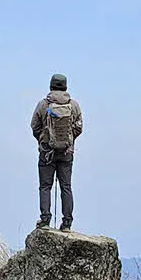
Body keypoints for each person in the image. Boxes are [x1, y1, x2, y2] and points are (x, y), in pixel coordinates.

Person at [30, 73, 83, 231]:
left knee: (45, 186)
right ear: (65, 87)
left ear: (51, 86)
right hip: (67, 152)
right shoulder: (74, 105)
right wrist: (68, 140)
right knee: (66, 186)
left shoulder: (43, 104)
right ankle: (67, 223)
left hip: (46, 152)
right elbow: (79, 127)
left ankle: (45, 220)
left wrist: (44, 139)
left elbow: (34, 126)